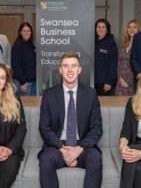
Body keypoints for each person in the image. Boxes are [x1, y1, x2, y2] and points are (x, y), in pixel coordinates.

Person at [39, 52, 103, 188]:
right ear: (60, 70)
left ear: (79, 70)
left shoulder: (91, 94)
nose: (70, 70)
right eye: (65, 66)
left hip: (83, 145)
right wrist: (63, 149)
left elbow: (97, 128)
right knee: (45, 159)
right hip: (58, 145)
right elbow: (44, 128)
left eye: (74, 66)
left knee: (96, 158)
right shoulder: (49, 95)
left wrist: (78, 149)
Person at [115, 20, 141, 96]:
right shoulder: (123, 44)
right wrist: (120, 78)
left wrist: (129, 81)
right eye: (129, 27)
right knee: (118, 104)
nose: (131, 29)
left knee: (132, 104)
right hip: (121, 79)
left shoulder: (140, 45)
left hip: (133, 79)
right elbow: (119, 62)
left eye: (134, 27)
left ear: (138, 29)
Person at [11, 22, 36, 96]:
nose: (26, 33)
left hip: (33, 82)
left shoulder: (31, 46)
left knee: (32, 106)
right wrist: (22, 82)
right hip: (23, 83)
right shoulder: (17, 45)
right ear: (20, 32)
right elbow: (15, 65)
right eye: (24, 31)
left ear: (31, 32)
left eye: (28, 31)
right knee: (25, 106)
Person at [94, 18, 118, 96]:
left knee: (103, 106)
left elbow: (113, 64)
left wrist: (109, 82)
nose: (100, 29)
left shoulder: (111, 43)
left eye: (103, 27)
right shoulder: (92, 42)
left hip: (104, 83)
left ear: (107, 29)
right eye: (98, 27)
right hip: (92, 81)